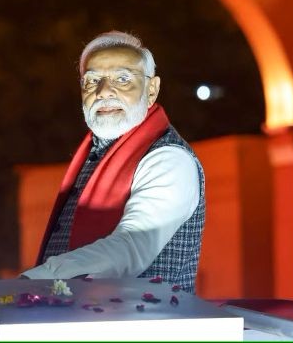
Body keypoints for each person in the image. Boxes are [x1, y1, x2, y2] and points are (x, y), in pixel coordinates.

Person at [21, 31, 205, 293]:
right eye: (92, 80)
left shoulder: (169, 158)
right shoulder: (94, 153)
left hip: (145, 329)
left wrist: (39, 278)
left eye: (123, 79)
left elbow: (131, 246)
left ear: (151, 90)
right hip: (82, 320)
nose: (104, 91)